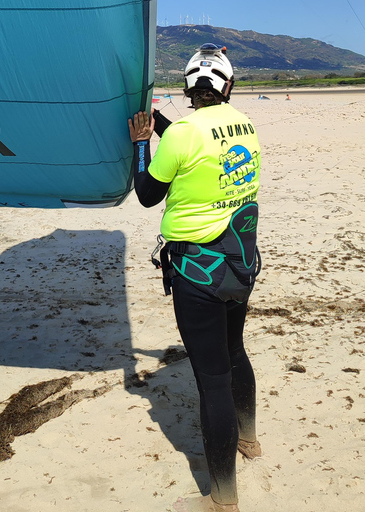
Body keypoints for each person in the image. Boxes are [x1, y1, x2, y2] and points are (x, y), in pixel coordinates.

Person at [128, 43, 262, 512]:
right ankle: (249, 439)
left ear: (187, 88)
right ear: (228, 86)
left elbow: (146, 194)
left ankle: (222, 499)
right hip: (240, 261)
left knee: (212, 381)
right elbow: (195, 140)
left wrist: (143, 142)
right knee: (235, 351)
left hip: (197, 273)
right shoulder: (245, 124)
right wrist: (161, 127)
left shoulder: (183, 133)